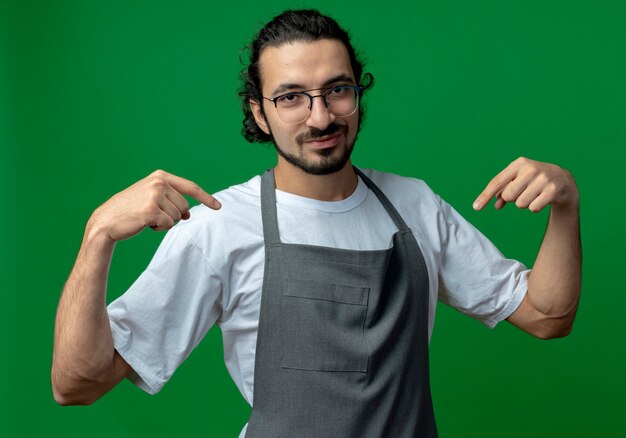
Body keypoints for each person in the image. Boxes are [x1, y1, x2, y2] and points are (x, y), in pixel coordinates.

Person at [51, 9, 581, 438]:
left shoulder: (415, 205)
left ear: (358, 93)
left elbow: (544, 315)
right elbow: (78, 383)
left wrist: (566, 205)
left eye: (338, 90)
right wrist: (97, 234)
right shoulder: (219, 226)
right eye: (290, 98)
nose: (321, 116)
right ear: (258, 112)